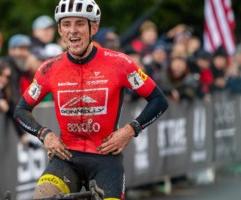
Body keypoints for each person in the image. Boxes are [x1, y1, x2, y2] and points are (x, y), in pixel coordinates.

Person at [13, 0, 169, 199]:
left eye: (79, 23)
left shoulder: (120, 63)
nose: (73, 31)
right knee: (42, 197)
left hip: (106, 160)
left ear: (93, 27)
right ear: (59, 30)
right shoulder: (49, 68)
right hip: (66, 157)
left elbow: (159, 100)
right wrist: (45, 134)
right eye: (66, 24)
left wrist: (131, 130)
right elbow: (20, 110)